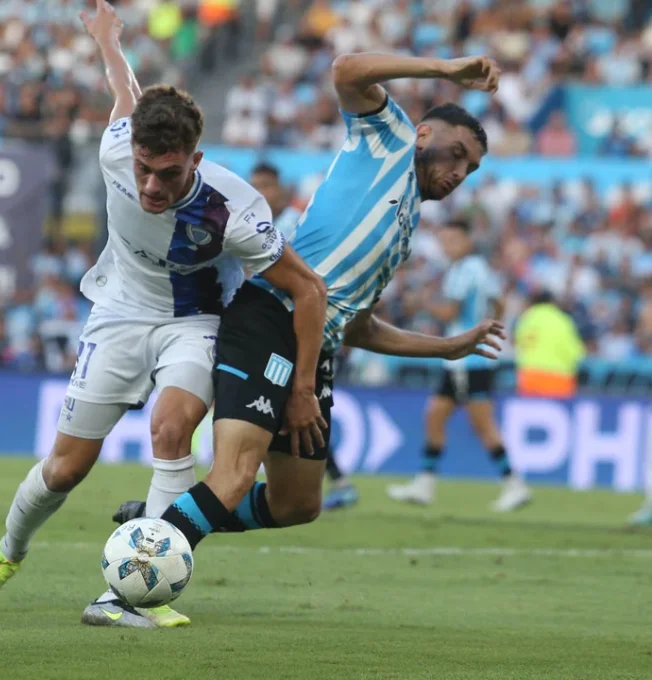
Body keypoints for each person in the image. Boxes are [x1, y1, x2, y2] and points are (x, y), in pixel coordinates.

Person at [0, 0, 327, 629]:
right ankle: (3, 556)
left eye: (169, 174)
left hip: (196, 321)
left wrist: (304, 386)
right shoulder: (114, 149)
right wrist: (106, 36)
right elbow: (123, 89)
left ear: (196, 162)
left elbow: (309, 289)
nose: (151, 186)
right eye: (145, 171)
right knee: (66, 467)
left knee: (171, 427)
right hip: (119, 311)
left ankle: (139, 591)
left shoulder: (234, 211)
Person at [152, 52, 506, 618]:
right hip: (272, 316)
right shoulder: (385, 139)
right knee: (236, 474)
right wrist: (445, 69)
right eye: (458, 153)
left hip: (315, 343)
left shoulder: (405, 225)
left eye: (472, 169)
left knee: (298, 503)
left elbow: (356, 321)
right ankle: (137, 575)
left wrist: (448, 348)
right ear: (422, 133)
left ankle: (170, 521)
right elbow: (346, 68)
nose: (461, 172)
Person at [387, 219, 532, 511]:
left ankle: (513, 483)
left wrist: (423, 303)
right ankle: (425, 484)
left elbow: (451, 310)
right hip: (466, 358)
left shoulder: (463, 270)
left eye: (453, 240)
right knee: (435, 415)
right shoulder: (480, 268)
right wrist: (489, 327)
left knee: (481, 423)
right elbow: (499, 304)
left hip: (468, 359)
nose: (447, 245)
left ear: (467, 241)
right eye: (444, 240)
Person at [250, 162, 358, 511]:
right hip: (273, 331)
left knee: (288, 411)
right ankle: (338, 481)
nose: (261, 193)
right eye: (255, 186)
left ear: (281, 188)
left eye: (267, 185)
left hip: (296, 333)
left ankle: (241, 476)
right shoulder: (255, 223)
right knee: (288, 415)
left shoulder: (291, 225)